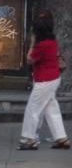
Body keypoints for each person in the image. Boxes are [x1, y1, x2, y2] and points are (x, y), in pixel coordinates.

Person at [17, 15, 70, 150]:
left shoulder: (41, 45)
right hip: (53, 78)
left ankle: (29, 139)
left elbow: (29, 59)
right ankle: (61, 138)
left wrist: (32, 43)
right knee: (51, 109)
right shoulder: (52, 42)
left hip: (44, 80)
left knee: (32, 109)